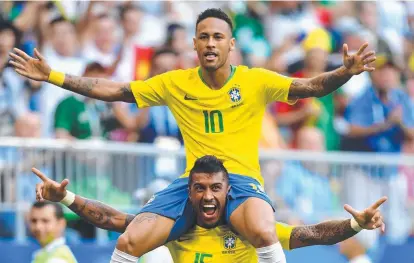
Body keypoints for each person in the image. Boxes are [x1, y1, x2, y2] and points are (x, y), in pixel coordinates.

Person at [9, 8, 377, 263]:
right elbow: (117, 91)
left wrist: (344, 73)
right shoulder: (175, 83)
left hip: (242, 183)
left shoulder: (255, 80)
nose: (211, 43)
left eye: (219, 37)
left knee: (266, 232)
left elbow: (312, 86)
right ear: (195, 44)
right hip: (194, 181)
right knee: (129, 240)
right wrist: (55, 76)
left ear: (231, 44)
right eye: (204, 37)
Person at [32, 155, 386, 262]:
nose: (207, 196)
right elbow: (114, 220)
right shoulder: (174, 228)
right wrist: (64, 197)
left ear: (228, 191)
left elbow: (309, 234)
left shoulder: (249, 230)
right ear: (189, 192)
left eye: (215, 188)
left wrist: (355, 226)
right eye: (199, 188)